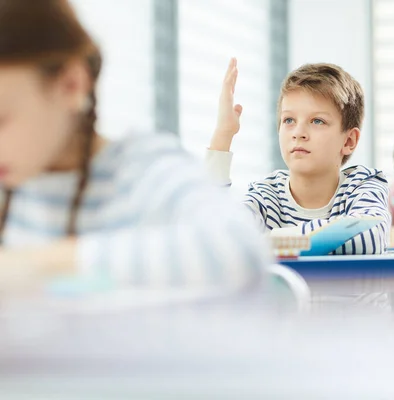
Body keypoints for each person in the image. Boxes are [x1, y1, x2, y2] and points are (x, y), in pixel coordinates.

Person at [0, 0, 269, 296]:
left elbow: (238, 249)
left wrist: (32, 265)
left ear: (71, 85)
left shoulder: (140, 170)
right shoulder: (11, 182)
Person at [205, 59, 391, 255]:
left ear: (348, 141)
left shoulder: (363, 184)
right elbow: (214, 236)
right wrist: (223, 134)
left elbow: (368, 236)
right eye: (289, 120)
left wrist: (263, 242)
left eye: (317, 121)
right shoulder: (267, 195)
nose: (298, 133)